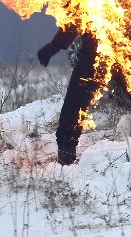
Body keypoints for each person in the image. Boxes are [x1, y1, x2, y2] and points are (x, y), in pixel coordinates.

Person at [37, 25, 101, 165]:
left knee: (74, 101)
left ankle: (66, 156)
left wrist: (54, 46)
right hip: (113, 44)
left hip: (99, 47)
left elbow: (77, 16)